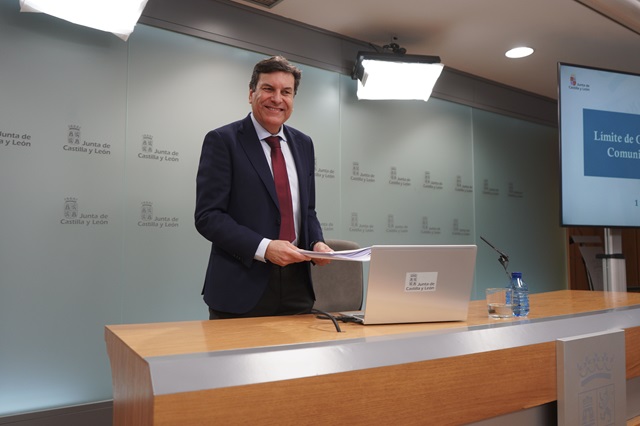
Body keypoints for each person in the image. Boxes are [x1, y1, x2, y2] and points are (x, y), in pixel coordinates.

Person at [195, 55, 332, 319]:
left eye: (286, 92)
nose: (277, 99)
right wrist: (265, 247)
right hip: (240, 288)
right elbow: (208, 217)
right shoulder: (223, 141)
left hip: (297, 287)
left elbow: (308, 211)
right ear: (251, 93)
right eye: (268, 89)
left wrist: (316, 242)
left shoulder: (304, 144)